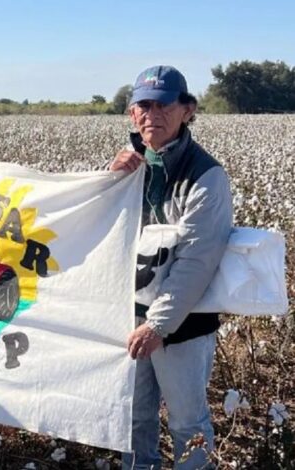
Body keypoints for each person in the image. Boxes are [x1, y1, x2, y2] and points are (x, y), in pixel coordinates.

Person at [111, 65, 233, 469]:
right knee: (133, 416)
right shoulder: (126, 168)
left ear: (187, 110)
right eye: (143, 105)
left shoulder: (206, 176)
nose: (153, 114)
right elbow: (103, 233)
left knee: (187, 422)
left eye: (164, 104)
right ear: (132, 114)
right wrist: (108, 184)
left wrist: (158, 325)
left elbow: (196, 261)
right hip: (130, 318)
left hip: (183, 325)